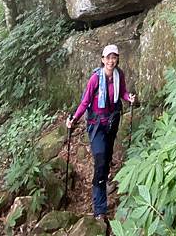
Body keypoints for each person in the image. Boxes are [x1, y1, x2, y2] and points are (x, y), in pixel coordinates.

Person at [66, 44, 136, 221]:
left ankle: (106, 179)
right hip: (96, 124)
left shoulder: (119, 75)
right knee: (100, 159)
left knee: (108, 153)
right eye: (108, 57)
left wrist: (130, 98)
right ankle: (99, 209)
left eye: (114, 57)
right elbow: (85, 102)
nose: (111, 60)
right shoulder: (95, 79)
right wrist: (73, 119)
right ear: (102, 59)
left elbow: (122, 93)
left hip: (112, 121)